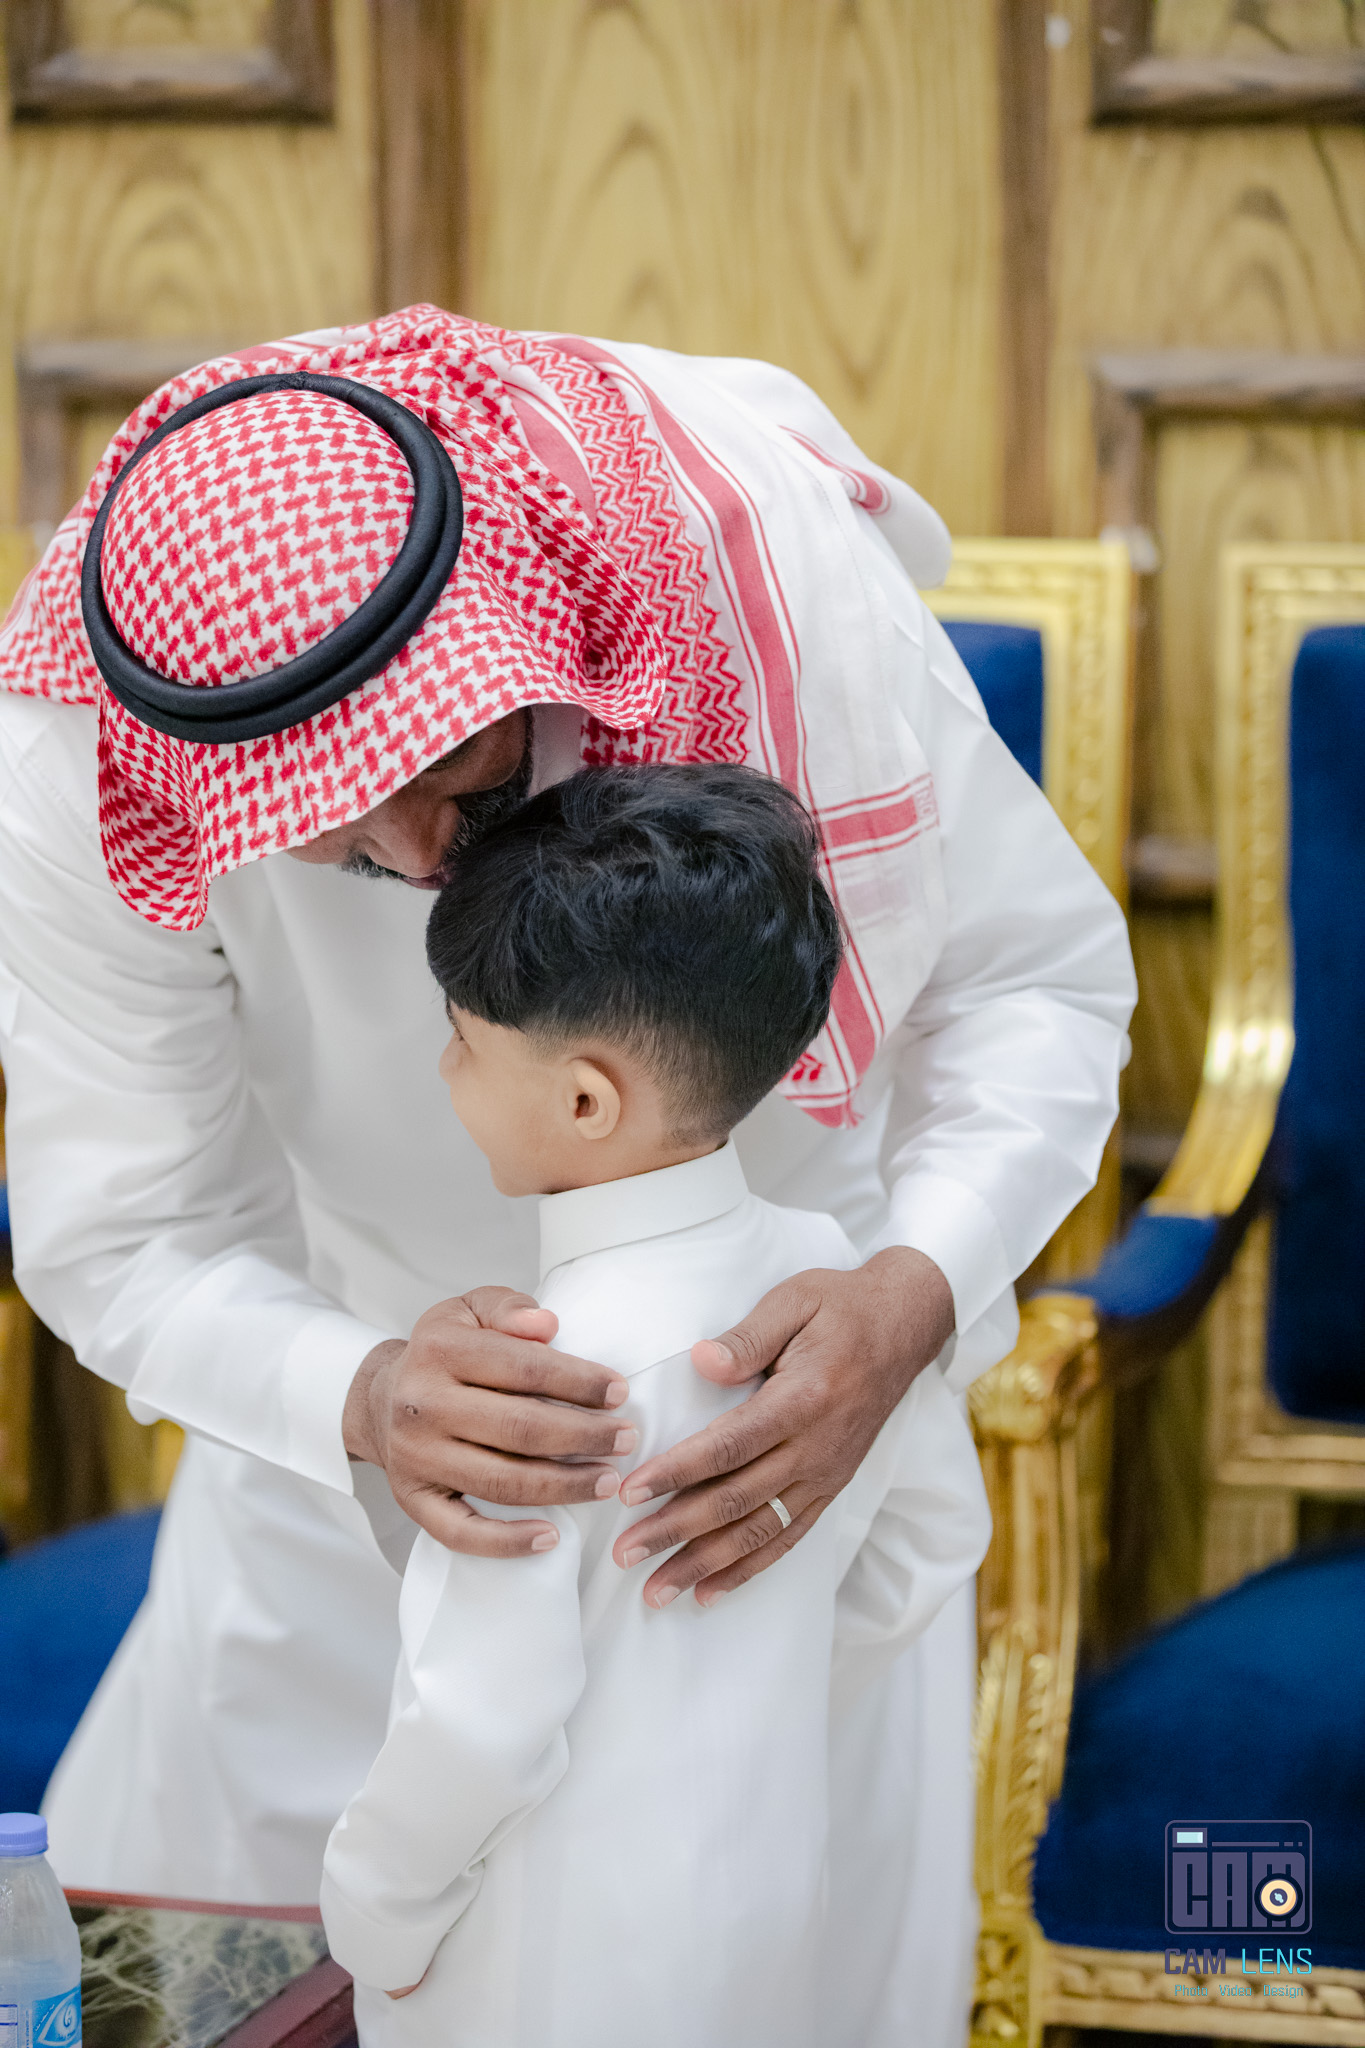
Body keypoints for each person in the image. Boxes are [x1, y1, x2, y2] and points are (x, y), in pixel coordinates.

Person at [0, 306, 1134, 2046]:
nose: (414, 862)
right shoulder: (87, 751)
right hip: (337, 1458)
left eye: (445, 769)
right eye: (324, 820)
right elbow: (134, 1234)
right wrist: (366, 1393)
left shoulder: (753, 574)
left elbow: (1032, 991)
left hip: (799, 1446)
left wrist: (908, 1303)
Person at [320, 760, 991, 2048]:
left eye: (463, 1039)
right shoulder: (834, 1300)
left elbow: (477, 1723)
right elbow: (931, 1539)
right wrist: (764, 1684)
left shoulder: (531, 1381)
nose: (444, 1066)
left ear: (584, 1100)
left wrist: (374, 1911)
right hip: (770, 1900)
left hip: (545, 1957)